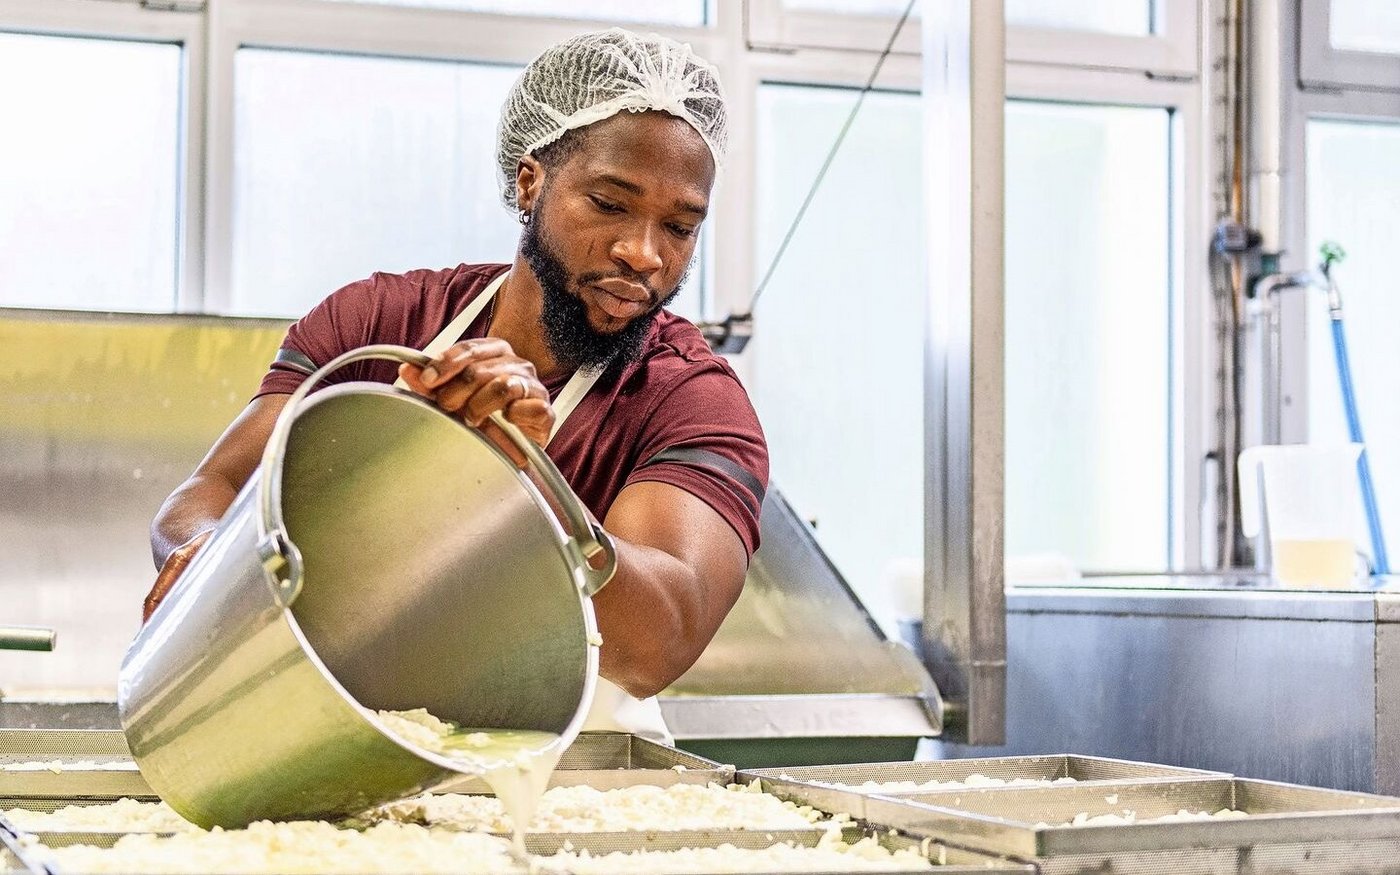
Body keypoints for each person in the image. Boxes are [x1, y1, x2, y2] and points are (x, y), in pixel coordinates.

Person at [143, 28, 768, 742]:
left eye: (680, 227)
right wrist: (208, 567)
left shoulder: (691, 399)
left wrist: (522, 487)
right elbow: (208, 495)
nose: (644, 253)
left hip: (566, 777)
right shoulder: (376, 324)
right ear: (530, 182)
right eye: (608, 204)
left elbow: (656, 642)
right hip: (323, 741)